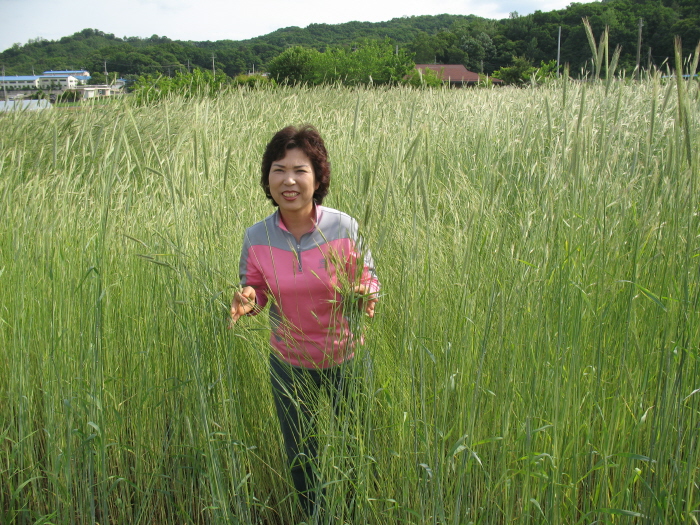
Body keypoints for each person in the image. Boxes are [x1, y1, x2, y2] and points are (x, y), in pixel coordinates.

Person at [229, 125, 380, 518]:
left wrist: (366, 295)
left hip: (346, 360)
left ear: (318, 177)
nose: (289, 180)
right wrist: (248, 302)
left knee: (356, 448)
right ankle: (313, 514)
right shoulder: (256, 236)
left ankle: (351, 514)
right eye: (278, 170)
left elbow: (367, 278)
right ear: (267, 179)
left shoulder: (344, 227)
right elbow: (256, 289)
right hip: (288, 365)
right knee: (301, 456)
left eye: (300, 170)